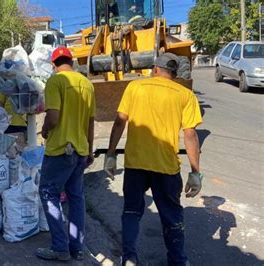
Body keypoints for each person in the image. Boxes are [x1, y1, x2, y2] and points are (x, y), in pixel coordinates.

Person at [105, 53, 203, 266]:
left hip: (135, 164)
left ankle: (129, 257)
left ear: (155, 69)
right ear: (174, 73)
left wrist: (111, 154)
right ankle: (178, 261)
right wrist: (195, 172)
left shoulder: (135, 87)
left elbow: (119, 122)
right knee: (172, 216)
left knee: (131, 211)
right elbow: (190, 135)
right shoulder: (185, 95)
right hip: (166, 166)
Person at [36, 47, 96, 262]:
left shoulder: (55, 81)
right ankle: (77, 247)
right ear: (71, 61)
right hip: (79, 150)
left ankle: (60, 247)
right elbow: (90, 121)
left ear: (54, 64)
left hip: (61, 150)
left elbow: (53, 117)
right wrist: (89, 150)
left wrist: (44, 130)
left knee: (48, 193)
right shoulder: (87, 84)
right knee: (77, 197)